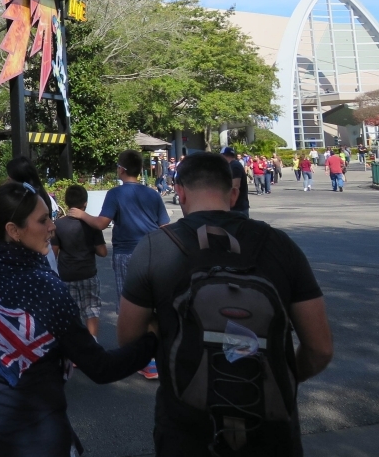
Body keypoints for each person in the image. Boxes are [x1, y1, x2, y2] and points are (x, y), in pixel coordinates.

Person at [117, 152, 333, 456]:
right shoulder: (280, 245)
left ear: (179, 193)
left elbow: (128, 336)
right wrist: (280, 375)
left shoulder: (155, 247)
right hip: (271, 430)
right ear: (233, 193)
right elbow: (320, 348)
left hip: (187, 428)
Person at [0, 182, 157, 457]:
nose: (52, 226)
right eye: (43, 219)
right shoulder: (47, 288)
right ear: (13, 230)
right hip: (40, 441)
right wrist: (153, 338)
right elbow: (100, 367)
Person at [67, 149, 168, 380]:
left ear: (121, 169)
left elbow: (102, 223)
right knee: (153, 302)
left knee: (131, 303)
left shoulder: (115, 193)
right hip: (153, 250)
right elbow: (165, 226)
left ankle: (141, 359)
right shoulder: (152, 194)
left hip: (126, 253)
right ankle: (156, 356)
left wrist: (82, 215)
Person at [51, 185, 107, 338]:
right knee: (91, 309)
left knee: (71, 311)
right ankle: (92, 343)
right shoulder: (92, 224)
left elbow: (54, 253)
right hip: (88, 273)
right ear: (85, 203)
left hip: (67, 275)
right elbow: (103, 252)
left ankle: (74, 350)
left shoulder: (58, 225)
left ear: (66, 202)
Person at [220, 147, 250, 218]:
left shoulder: (234, 166)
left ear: (223, 155)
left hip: (237, 207)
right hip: (237, 207)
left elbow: (235, 186)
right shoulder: (232, 165)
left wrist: (230, 202)